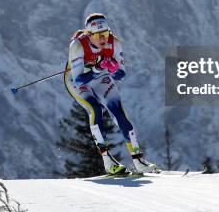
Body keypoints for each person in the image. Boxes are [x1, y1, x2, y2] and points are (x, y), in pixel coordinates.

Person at [64, 13, 159, 175]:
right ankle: (108, 162)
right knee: (95, 109)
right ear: (89, 35)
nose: (104, 39)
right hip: (77, 81)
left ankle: (138, 161)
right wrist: (98, 68)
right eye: (99, 35)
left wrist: (113, 68)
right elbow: (79, 80)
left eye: (106, 33)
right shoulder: (78, 46)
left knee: (118, 111)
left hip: (101, 77)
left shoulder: (114, 43)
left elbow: (121, 74)